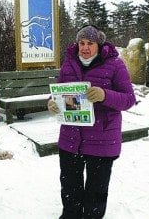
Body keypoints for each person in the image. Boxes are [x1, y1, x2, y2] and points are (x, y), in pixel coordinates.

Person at [48, 25, 136, 219]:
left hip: (102, 138)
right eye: (82, 43)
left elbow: (129, 99)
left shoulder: (115, 65)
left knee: (96, 191)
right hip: (71, 138)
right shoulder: (69, 64)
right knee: (70, 186)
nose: (85, 48)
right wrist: (52, 103)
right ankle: (70, 215)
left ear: (99, 44)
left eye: (90, 43)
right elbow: (59, 92)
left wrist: (105, 95)